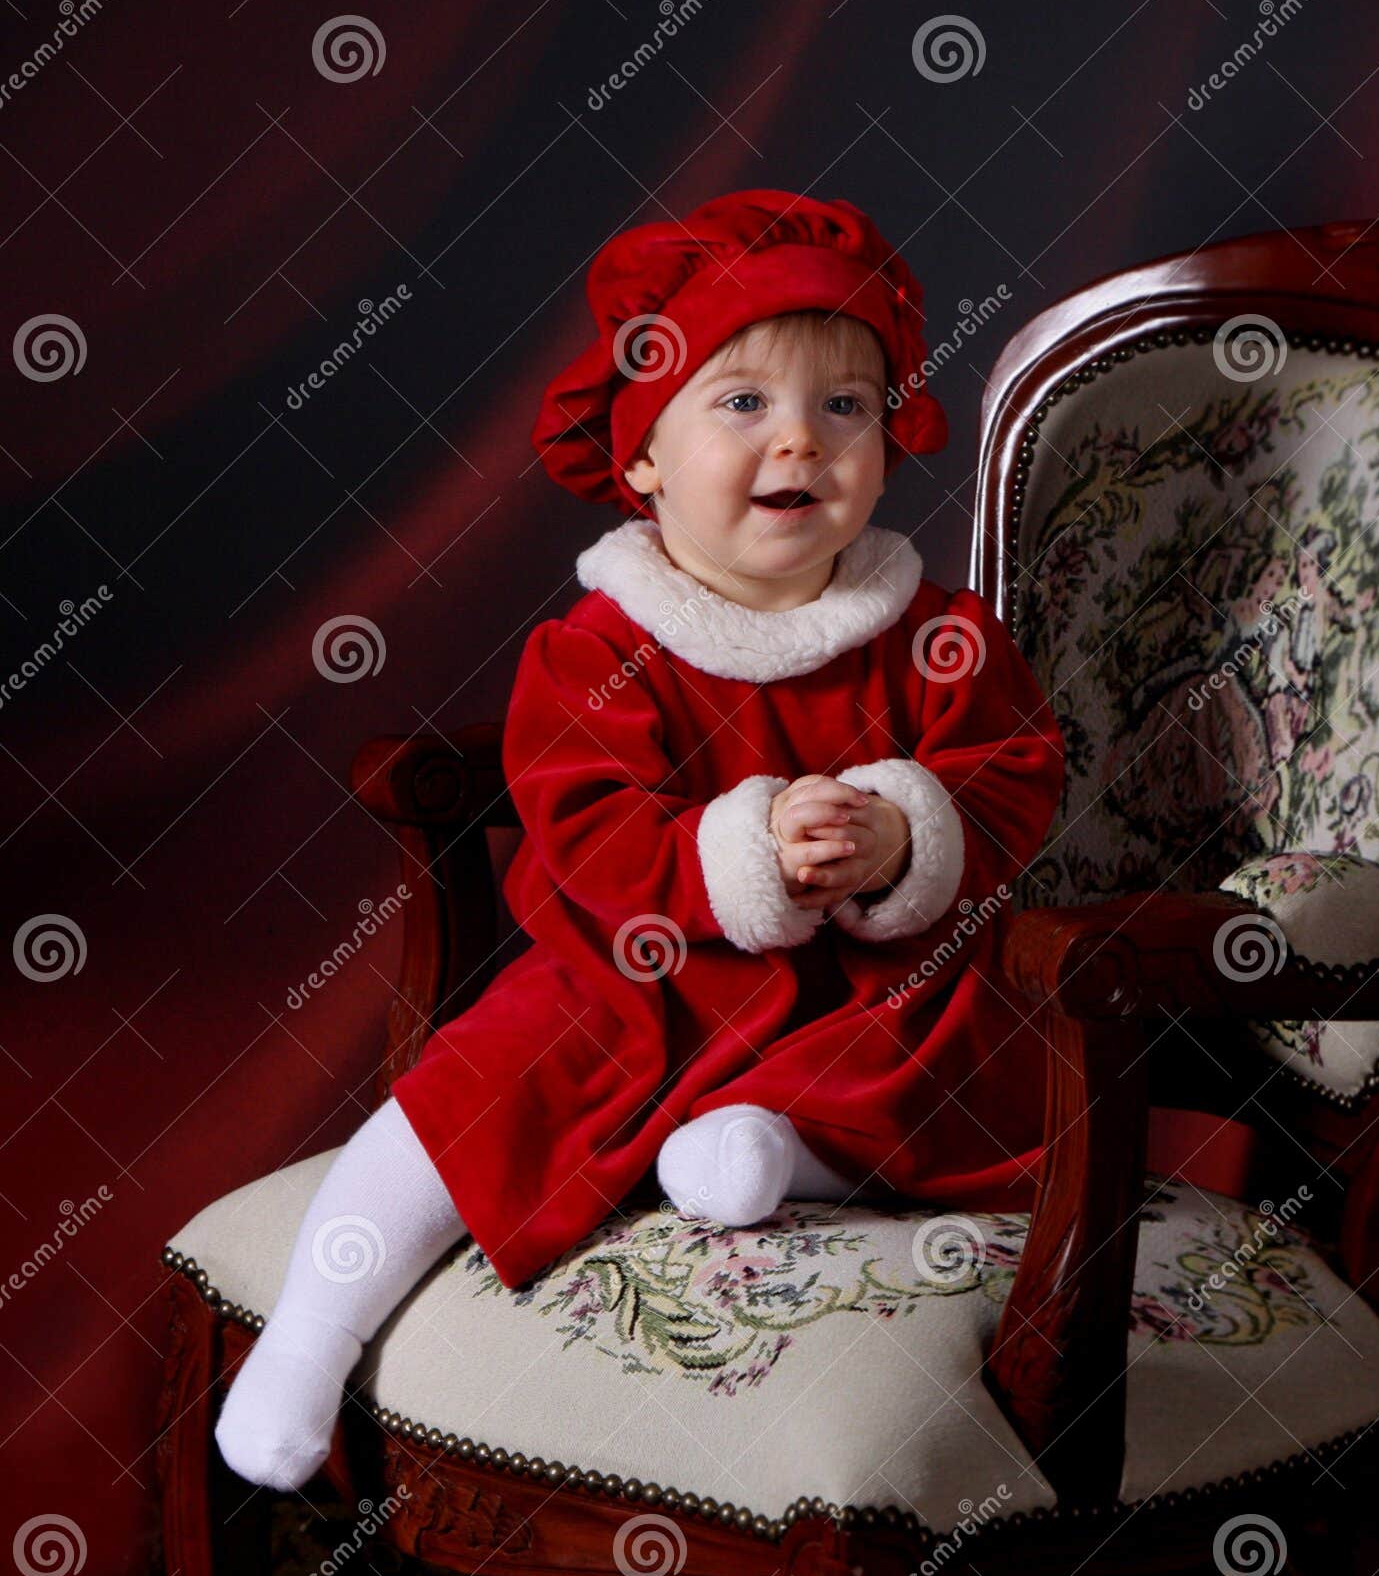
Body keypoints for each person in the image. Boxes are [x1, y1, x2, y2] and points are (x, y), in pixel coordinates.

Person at [215, 188, 1066, 1492]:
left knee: (937, 1053)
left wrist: (903, 830)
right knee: (476, 1085)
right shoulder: (603, 650)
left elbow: (1013, 779)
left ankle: (777, 1147)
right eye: (744, 403)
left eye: (845, 405)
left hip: (861, 986)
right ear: (645, 458)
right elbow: (587, 826)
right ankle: (310, 1337)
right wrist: (741, 854)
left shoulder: (935, 634)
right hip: (643, 973)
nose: (802, 439)